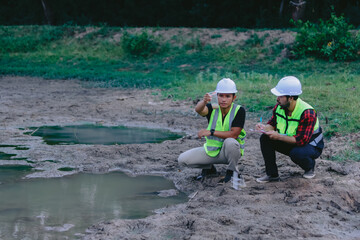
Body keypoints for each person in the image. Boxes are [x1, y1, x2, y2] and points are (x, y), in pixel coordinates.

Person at [255, 76, 324, 183]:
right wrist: (265, 128)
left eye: (280, 96)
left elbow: (301, 140)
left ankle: (309, 166)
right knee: (265, 138)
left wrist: (278, 136)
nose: (277, 98)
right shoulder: (279, 107)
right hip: (291, 141)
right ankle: (272, 174)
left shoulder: (307, 112)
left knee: (297, 153)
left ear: (291, 98)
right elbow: (272, 124)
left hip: (310, 146)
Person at [178, 78, 246, 183]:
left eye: (227, 96)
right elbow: (199, 110)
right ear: (216, 96)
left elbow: (234, 134)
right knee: (182, 160)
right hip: (212, 151)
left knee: (231, 142)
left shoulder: (239, 110)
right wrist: (204, 101)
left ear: (234, 98)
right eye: (221, 96)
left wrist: (211, 132)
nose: (223, 99)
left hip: (229, 153)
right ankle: (209, 169)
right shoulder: (213, 108)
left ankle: (232, 172)